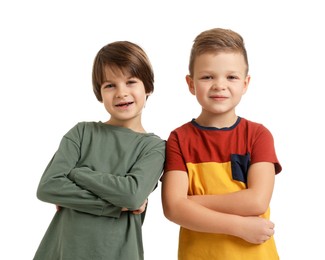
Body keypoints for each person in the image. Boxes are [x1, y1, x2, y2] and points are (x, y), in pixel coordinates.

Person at [33, 41, 165, 260]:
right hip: (62, 252)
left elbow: (131, 196)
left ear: (148, 87)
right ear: (99, 93)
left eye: (131, 82)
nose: (121, 93)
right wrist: (113, 206)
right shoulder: (82, 133)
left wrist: (77, 174)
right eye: (109, 85)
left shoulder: (154, 147)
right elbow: (48, 186)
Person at [161, 28, 282, 259]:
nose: (219, 85)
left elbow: (256, 201)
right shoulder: (179, 139)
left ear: (245, 84)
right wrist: (240, 226)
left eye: (231, 77)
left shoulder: (258, 135)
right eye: (207, 77)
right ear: (191, 83)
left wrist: (190, 203)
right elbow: (173, 209)